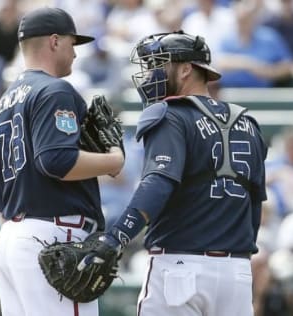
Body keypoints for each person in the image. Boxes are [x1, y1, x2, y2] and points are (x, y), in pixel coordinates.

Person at [83, 30, 267, 315]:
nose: (150, 76)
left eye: (158, 65)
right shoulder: (249, 124)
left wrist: (115, 237)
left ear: (185, 69)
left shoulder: (170, 114)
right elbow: (255, 204)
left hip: (181, 269)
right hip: (237, 274)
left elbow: (157, 184)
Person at [0, 7, 124, 316]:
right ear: (55, 41)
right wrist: (112, 160)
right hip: (53, 233)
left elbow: (0, 192)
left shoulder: (0, 107)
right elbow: (57, 161)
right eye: (73, 44)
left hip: (11, 236)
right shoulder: (54, 90)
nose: (76, 54)